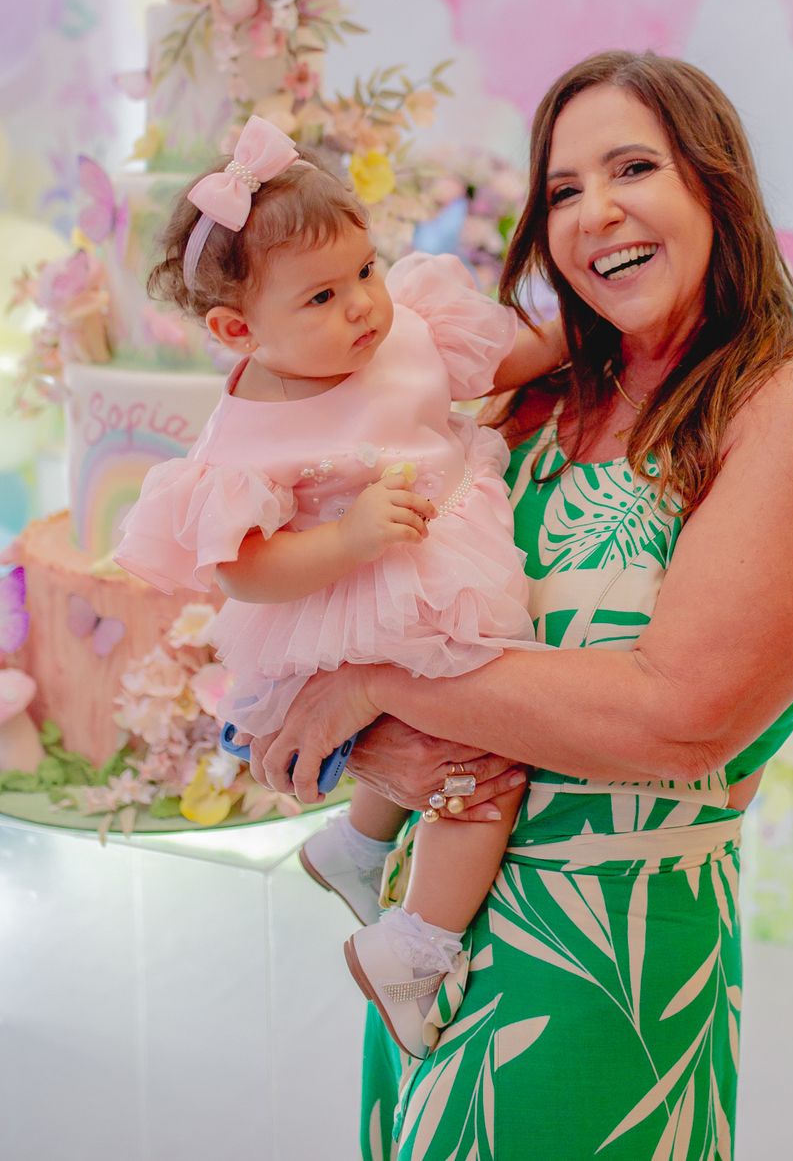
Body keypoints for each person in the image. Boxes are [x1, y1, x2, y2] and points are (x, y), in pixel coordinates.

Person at [251, 53, 793, 1161]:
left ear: (716, 184)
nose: (597, 212)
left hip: (609, 961)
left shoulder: (791, 404)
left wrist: (377, 686)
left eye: (634, 167)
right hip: (427, 949)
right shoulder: (534, 399)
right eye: (564, 190)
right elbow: (374, 601)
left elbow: (681, 715)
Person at [113, 115, 565, 1056]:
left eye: (365, 270)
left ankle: (356, 847)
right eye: (322, 296)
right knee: (480, 764)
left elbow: (508, 360)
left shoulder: (406, 330)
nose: (362, 306)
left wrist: (591, 331)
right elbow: (241, 567)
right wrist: (348, 540)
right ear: (239, 331)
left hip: (438, 550)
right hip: (360, 592)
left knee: (456, 729)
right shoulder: (248, 434)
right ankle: (415, 945)